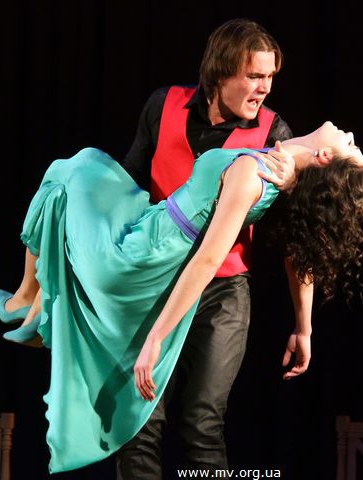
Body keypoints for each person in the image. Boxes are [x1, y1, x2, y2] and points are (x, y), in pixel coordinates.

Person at [0, 122, 363, 473]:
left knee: (73, 171)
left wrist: (156, 337)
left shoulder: (255, 173)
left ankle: (29, 299)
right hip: (150, 230)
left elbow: (208, 260)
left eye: (351, 147)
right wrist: (304, 330)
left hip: (145, 253)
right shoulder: (284, 170)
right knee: (78, 173)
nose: (352, 135)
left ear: (324, 156)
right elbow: (301, 252)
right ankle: (34, 300)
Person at [116, 19, 294, 477]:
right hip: (155, 283)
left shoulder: (273, 132)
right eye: (254, 76)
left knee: (202, 422)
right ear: (220, 72)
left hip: (222, 291)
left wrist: (304, 325)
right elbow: (128, 184)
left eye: (270, 76)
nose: (264, 88)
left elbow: (296, 237)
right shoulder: (164, 105)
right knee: (139, 422)